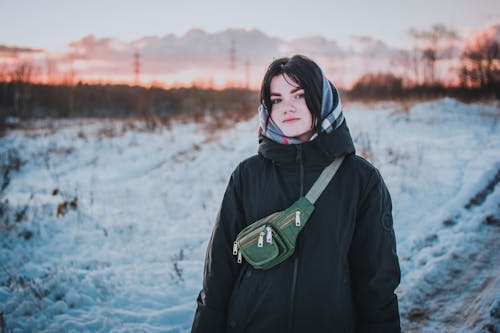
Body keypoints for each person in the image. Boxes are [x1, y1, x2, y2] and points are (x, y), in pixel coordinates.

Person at [192, 55, 401, 333]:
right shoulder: (247, 175)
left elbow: (376, 281)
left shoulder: (360, 180)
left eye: (299, 95)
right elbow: (221, 266)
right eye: (276, 99)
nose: (286, 107)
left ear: (321, 98)